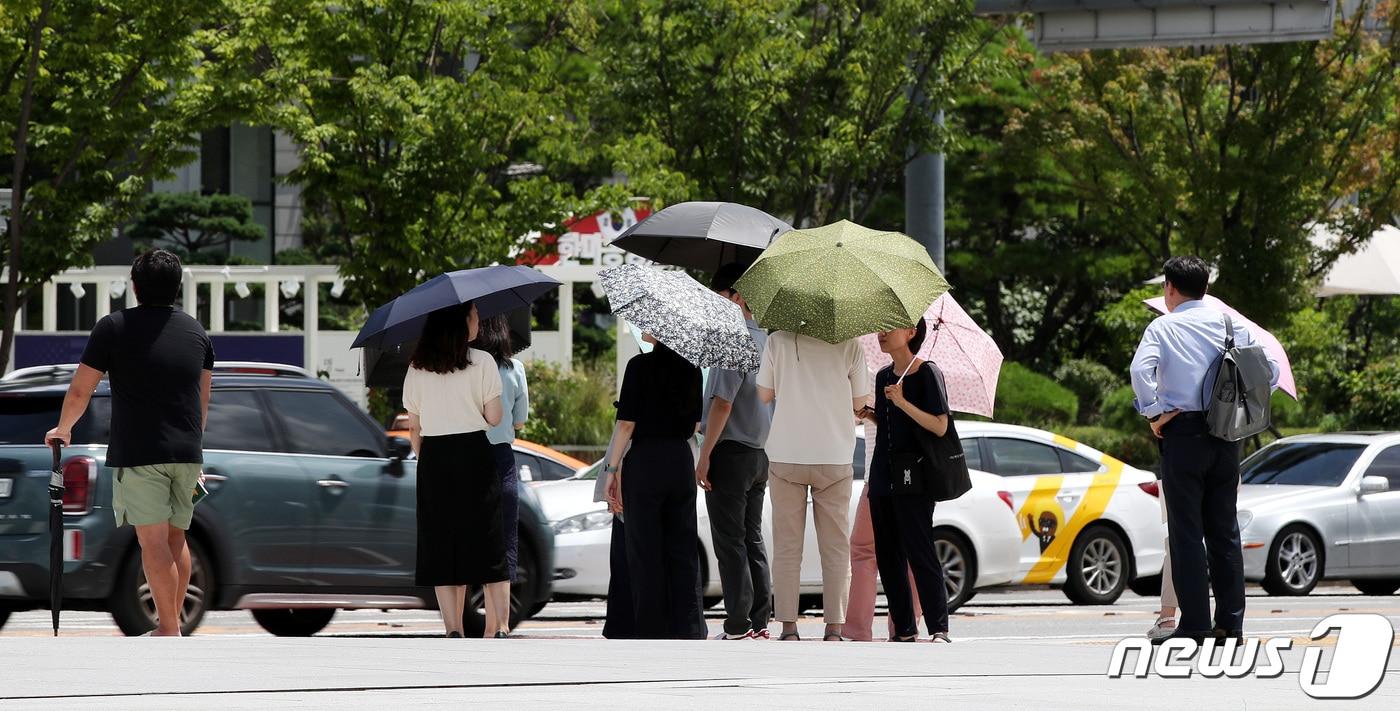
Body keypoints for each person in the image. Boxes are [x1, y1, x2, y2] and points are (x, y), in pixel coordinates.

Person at [47, 249, 213, 637]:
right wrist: (195, 448)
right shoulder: (197, 333)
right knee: (176, 537)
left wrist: (63, 428)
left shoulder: (113, 328)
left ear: (135, 287)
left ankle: (168, 629)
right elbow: (202, 400)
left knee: (152, 540)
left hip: (141, 452)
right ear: (177, 287)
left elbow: (80, 391)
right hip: (187, 453)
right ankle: (173, 626)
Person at [1130, 256, 1278, 644]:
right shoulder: (1232, 325)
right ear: (1206, 289)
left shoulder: (1163, 327)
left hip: (1183, 433)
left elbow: (1140, 371)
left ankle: (1194, 623)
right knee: (1224, 531)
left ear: (1169, 288)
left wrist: (1154, 412)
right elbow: (1271, 371)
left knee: (1186, 533)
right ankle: (1230, 624)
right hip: (1227, 434)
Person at [757, 328, 870, 642]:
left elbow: (764, 395)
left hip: (786, 453)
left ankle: (789, 627)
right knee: (835, 547)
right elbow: (860, 402)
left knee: (787, 546)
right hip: (834, 455)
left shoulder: (777, 341)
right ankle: (834, 628)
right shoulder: (850, 344)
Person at [402, 301, 507, 638]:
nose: (479, 321)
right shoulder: (483, 361)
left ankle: (453, 628)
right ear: (461, 322)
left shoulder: (417, 367)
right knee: (488, 538)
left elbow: (414, 427)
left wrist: (427, 458)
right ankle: (500, 627)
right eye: (474, 315)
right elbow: (495, 418)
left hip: (434, 456)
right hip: (474, 453)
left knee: (441, 542)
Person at [602, 334, 705, 639]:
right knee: (683, 545)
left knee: (644, 546)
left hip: (645, 459)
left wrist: (612, 469)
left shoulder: (639, 366)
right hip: (680, 459)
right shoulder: (693, 369)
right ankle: (687, 626)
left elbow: (626, 423)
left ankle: (650, 626)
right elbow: (695, 425)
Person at [859, 319, 952, 643]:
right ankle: (904, 629)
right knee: (888, 555)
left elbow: (940, 425)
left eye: (890, 327)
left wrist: (902, 402)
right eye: (880, 327)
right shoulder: (884, 376)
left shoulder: (927, 373)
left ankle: (938, 626)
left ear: (911, 333)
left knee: (919, 548)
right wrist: (870, 413)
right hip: (883, 472)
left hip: (915, 474)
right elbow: (889, 425)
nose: (881, 333)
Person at [695, 263, 774, 640]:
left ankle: (738, 623)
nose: (716, 305)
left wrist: (704, 455)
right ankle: (760, 620)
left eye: (719, 297)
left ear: (737, 297)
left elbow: (723, 403)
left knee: (730, 541)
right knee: (752, 537)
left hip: (731, 451)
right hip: (760, 453)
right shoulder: (768, 341)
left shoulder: (731, 339)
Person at [847, 382, 923, 643]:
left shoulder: (870, 373)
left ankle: (858, 630)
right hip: (913, 477)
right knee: (910, 554)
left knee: (863, 552)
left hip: (878, 476)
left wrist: (866, 413)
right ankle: (906, 626)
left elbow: (852, 417)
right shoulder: (922, 372)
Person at [472, 314, 529, 637]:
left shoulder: (469, 367)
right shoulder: (515, 369)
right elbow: (519, 421)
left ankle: (487, 625)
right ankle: (501, 624)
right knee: (505, 539)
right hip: (503, 458)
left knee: (478, 540)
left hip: (472, 455)